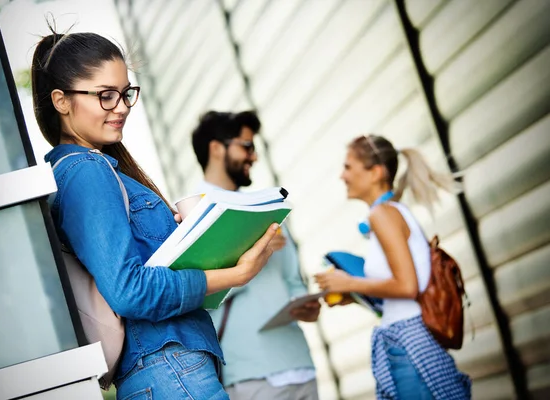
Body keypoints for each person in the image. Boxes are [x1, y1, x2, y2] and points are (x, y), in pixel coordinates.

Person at [31, 31, 279, 400]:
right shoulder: (86, 171)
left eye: (126, 93)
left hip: (170, 368)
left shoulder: (97, 168)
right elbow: (130, 292)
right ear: (62, 101)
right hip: (169, 367)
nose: (122, 106)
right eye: (105, 95)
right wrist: (236, 273)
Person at [315, 135, 471, 399]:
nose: (342, 176)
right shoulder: (390, 212)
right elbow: (402, 288)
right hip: (405, 339)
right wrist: (354, 296)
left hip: (408, 343)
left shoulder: (383, 214)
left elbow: (408, 286)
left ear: (375, 172)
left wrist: (349, 283)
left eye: (348, 167)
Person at [191, 110, 321, 400]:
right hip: (249, 374)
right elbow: (196, 292)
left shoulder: (266, 206)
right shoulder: (189, 214)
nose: (254, 157)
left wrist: (304, 303)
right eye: (246, 146)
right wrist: (252, 250)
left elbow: (292, 280)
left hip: (299, 363)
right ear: (216, 148)